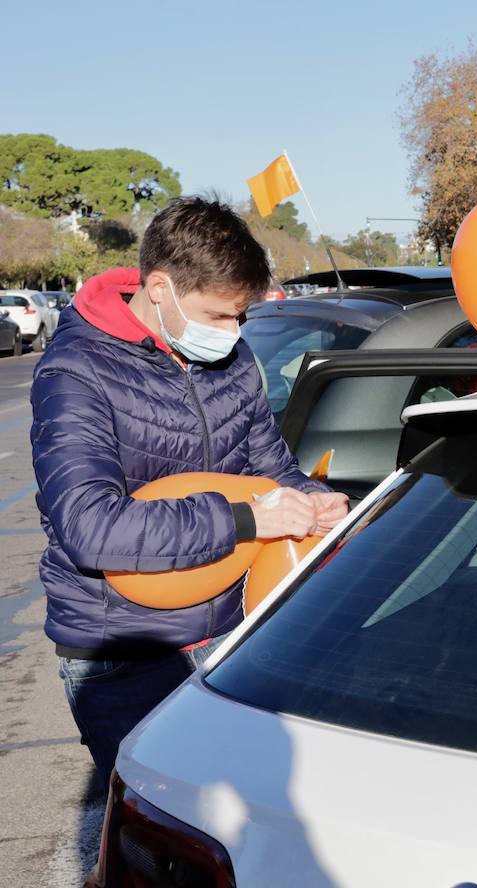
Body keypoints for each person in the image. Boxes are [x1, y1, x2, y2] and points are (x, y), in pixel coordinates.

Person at [29, 196, 350, 788]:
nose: (233, 333)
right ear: (159, 288)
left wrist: (311, 500)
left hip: (231, 635)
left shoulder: (233, 359)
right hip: (125, 654)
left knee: (247, 827)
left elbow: (270, 467)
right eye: (219, 316)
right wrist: (251, 517)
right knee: (165, 835)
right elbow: (92, 529)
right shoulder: (76, 373)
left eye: (242, 317)